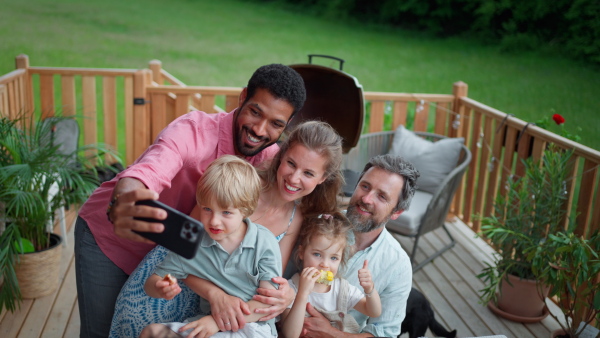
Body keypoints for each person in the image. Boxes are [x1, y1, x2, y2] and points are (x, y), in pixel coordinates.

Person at [75, 63, 306, 338]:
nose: (259, 129)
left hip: (177, 260)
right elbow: (152, 166)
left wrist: (286, 294)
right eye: (255, 112)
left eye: (276, 124)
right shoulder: (192, 130)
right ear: (242, 97)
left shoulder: (270, 160)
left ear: (287, 125)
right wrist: (128, 195)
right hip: (111, 240)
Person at [108, 120, 344, 337]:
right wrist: (215, 295)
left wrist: (288, 295)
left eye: (309, 173)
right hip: (189, 290)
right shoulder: (236, 186)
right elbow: (188, 247)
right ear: (281, 157)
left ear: (323, 178)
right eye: (291, 163)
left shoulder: (292, 221)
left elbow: (267, 288)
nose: (294, 177)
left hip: (242, 316)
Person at [139, 155, 281, 338]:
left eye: (226, 212)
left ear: (246, 210)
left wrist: (216, 323)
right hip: (209, 322)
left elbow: (267, 303)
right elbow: (150, 284)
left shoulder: (263, 242)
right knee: (151, 333)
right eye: (207, 209)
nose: (214, 221)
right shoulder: (191, 242)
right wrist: (160, 288)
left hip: (253, 326)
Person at [301, 154, 419, 338]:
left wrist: (331, 334)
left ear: (396, 212)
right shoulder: (317, 224)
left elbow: (384, 333)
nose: (366, 199)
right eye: (365, 186)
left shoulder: (398, 265)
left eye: (381, 196)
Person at [279, 212, 382, 338]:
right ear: (301, 253)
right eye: (317, 254)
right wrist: (303, 294)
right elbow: (290, 334)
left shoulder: (342, 290)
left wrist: (369, 289)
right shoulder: (291, 289)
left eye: (333, 258)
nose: (325, 265)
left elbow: (374, 312)